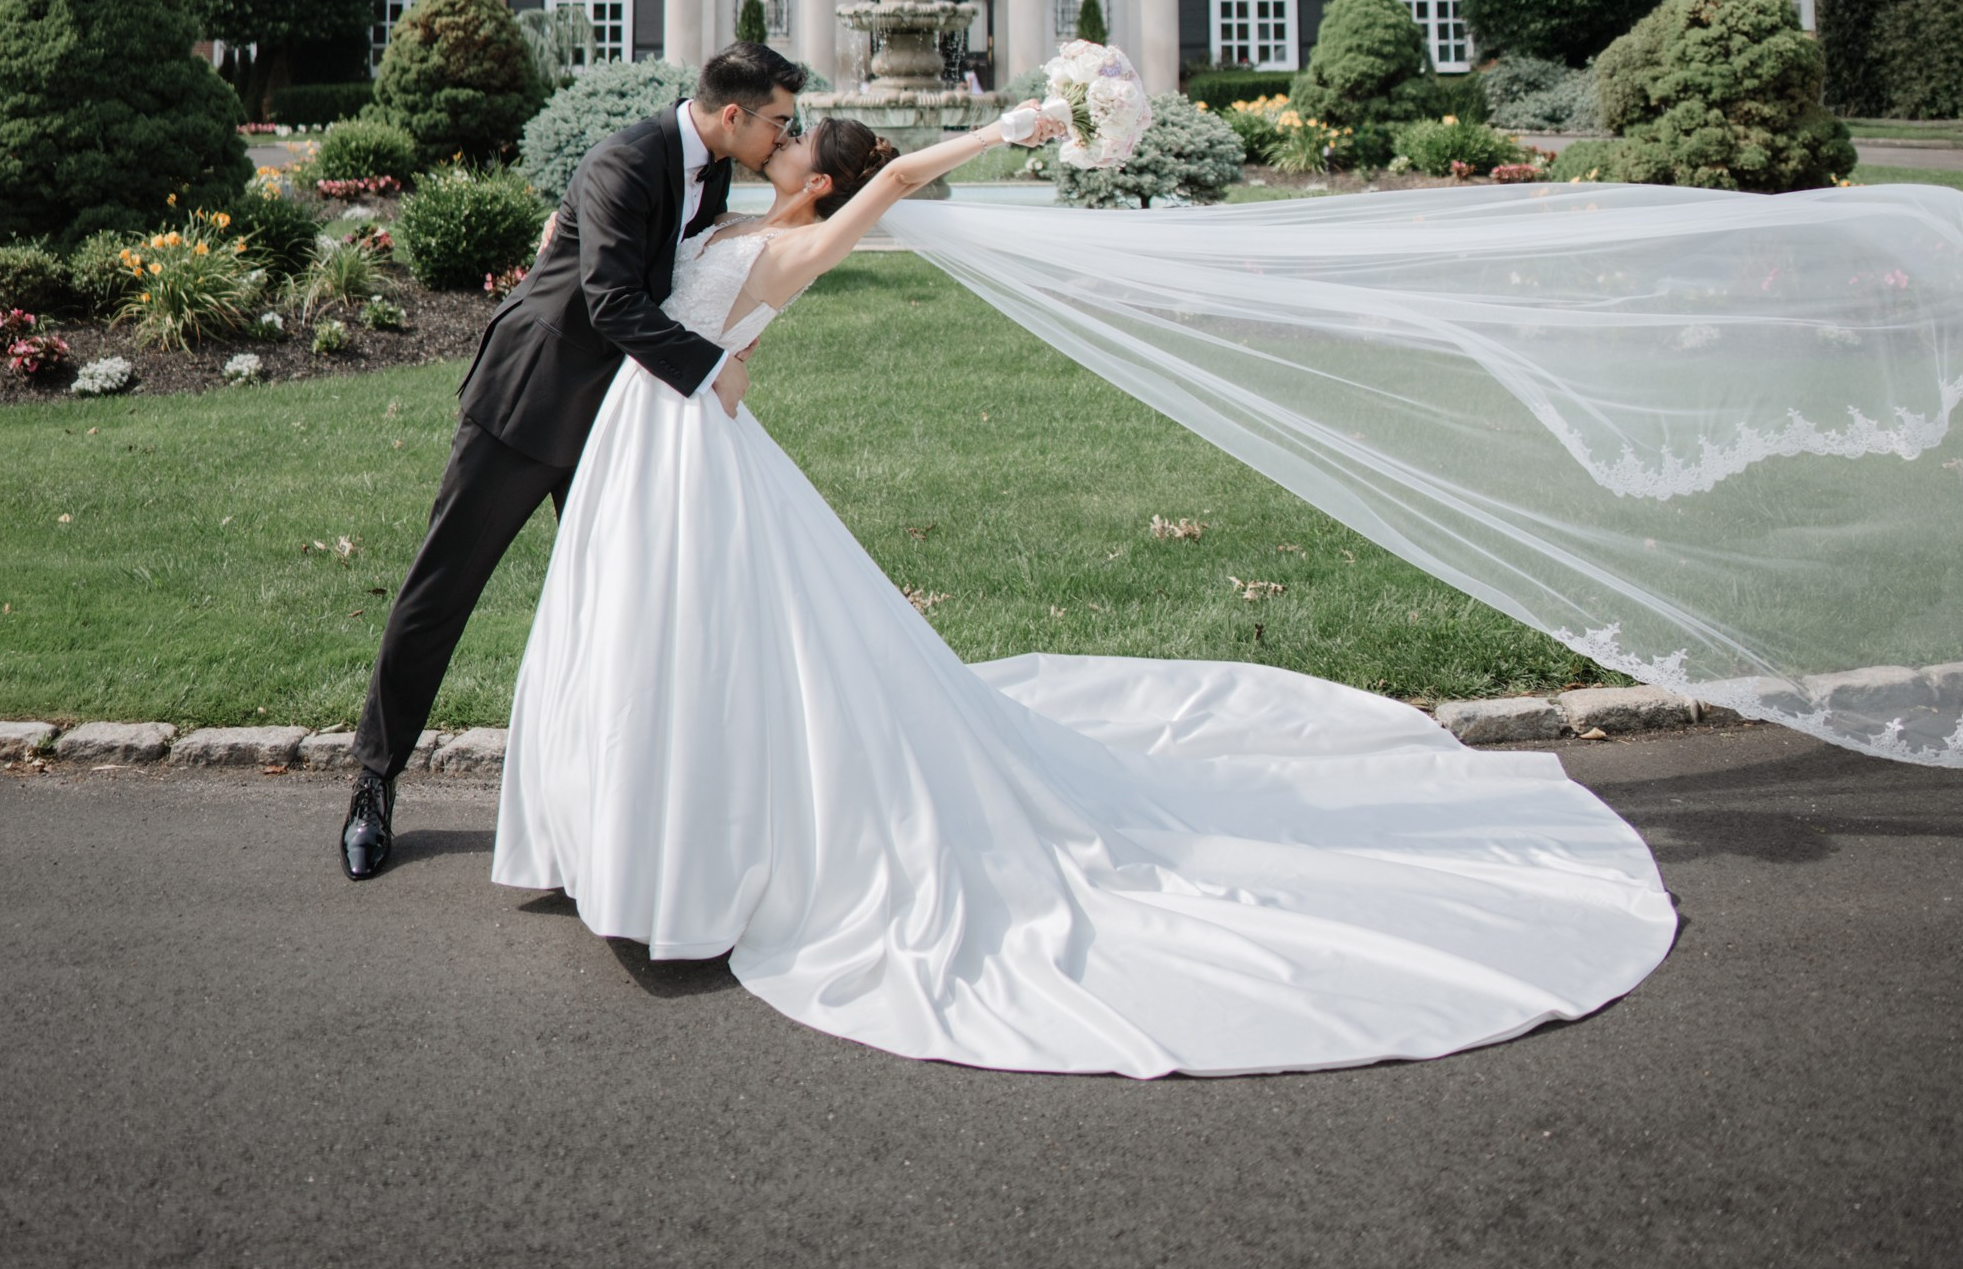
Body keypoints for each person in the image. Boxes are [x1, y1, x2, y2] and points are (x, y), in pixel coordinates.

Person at [491, 110, 1677, 1077]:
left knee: (709, 647)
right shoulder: (742, 215)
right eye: (785, 133)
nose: (782, 145)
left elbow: (895, 173)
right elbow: (641, 256)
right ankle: (619, 841)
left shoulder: (804, 238)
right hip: (648, 444)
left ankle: (690, 860)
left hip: (693, 451)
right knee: (649, 638)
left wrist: (1011, 127)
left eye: (798, 144)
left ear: (816, 185)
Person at [339, 38, 805, 879]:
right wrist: (712, 369)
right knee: (443, 591)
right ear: (732, 114)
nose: (786, 132)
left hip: (618, 424)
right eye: (779, 120)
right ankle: (374, 782)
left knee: (617, 613)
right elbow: (614, 301)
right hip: (529, 401)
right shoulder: (626, 159)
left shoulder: (717, 169)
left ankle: (592, 821)